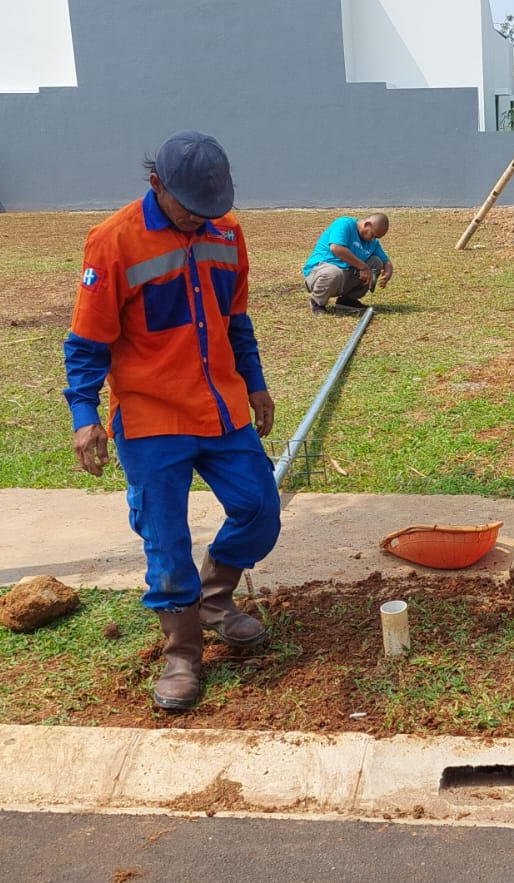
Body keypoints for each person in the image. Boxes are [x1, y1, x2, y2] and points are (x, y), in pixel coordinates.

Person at [62, 130, 281, 711]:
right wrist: (84, 414)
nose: (201, 221)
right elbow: (86, 344)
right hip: (152, 414)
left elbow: (236, 320)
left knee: (260, 508)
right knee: (166, 536)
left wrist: (255, 383)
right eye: (192, 210)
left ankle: (214, 598)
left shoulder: (226, 231)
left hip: (222, 406)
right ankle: (182, 650)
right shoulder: (111, 242)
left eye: (212, 209)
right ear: (155, 182)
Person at [301, 213, 395, 314]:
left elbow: (386, 261)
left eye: (376, 237)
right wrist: (363, 267)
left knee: (376, 263)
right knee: (334, 273)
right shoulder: (345, 224)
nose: (373, 239)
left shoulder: (372, 242)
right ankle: (317, 302)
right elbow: (336, 248)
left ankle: (347, 301)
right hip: (320, 272)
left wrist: (388, 273)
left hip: (344, 275)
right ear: (367, 224)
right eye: (372, 235)